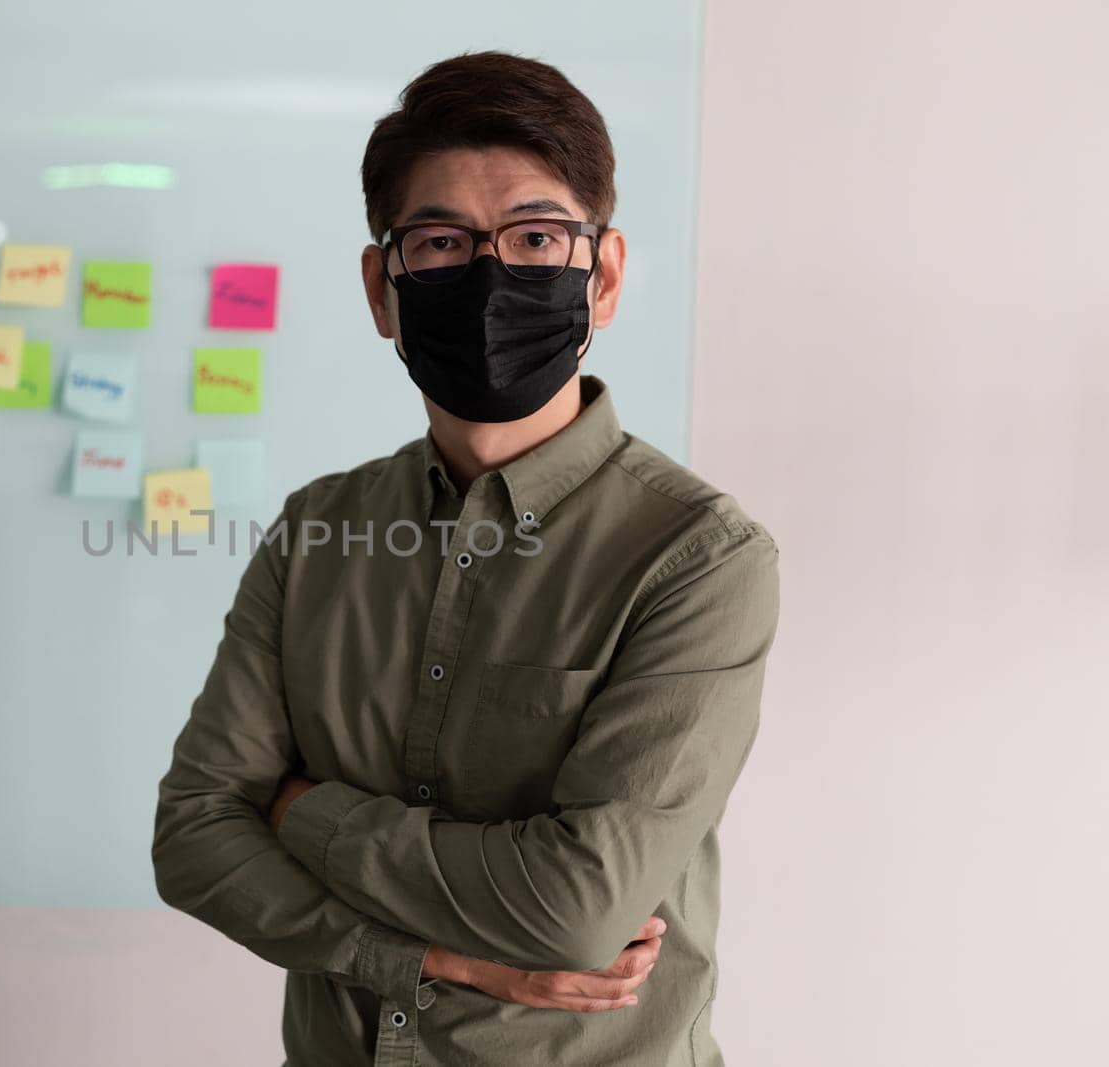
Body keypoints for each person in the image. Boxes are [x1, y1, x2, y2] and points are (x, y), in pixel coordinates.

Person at [151, 48, 781, 1067]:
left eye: (536, 235)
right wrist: (437, 956)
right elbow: (193, 837)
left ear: (604, 272)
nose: (491, 274)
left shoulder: (696, 557)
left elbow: (575, 907)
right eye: (441, 241)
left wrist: (303, 808)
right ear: (381, 289)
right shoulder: (318, 530)